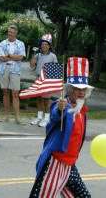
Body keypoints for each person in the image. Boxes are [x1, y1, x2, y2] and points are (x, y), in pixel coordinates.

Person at [29, 57, 92, 198]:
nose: (81, 92)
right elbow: (54, 116)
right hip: (55, 163)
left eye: (83, 89)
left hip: (70, 166)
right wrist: (59, 109)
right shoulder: (63, 105)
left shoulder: (82, 110)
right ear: (69, 89)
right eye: (77, 89)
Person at [0, 25, 26, 124]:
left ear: (16, 33)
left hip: (15, 70)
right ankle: (6, 116)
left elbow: (21, 57)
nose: (10, 34)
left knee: (15, 93)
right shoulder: (2, 43)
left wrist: (9, 56)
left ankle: (17, 117)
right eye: (9, 32)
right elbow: (1, 58)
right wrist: (13, 57)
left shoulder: (20, 44)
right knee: (5, 92)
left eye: (12, 32)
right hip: (4, 69)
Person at [30, 34, 58, 127]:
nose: (44, 46)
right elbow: (32, 66)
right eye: (42, 44)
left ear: (49, 46)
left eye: (46, 44)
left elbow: (56, 70)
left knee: (46, 100)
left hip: (47, 79)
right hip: (38, 78)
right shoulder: (37, 55)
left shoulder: (53, 56)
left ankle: (46, 118)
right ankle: (39, 117)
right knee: (39, 99)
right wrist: (33, 56)